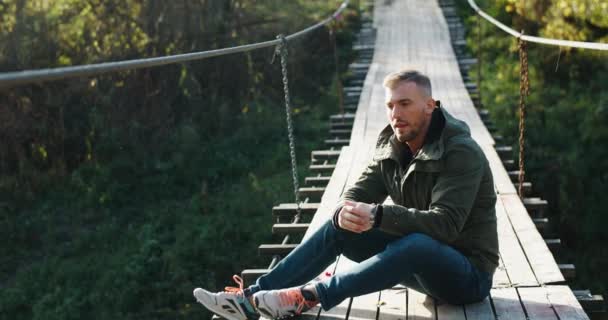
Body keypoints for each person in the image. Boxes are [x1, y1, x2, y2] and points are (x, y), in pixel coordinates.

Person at [193, 69, 498, 320]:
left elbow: (445, 225)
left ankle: (306, 297)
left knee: (415, 245)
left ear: (430, 105)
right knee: (339, 226)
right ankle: (249, 300)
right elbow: (356, 192)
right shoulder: (393, 146)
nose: (396, 113)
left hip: (468, 277)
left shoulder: (461, 152)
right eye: (391, 106)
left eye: (405, 104)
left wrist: (379, 216)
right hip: (423, 270)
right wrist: (344, 210)